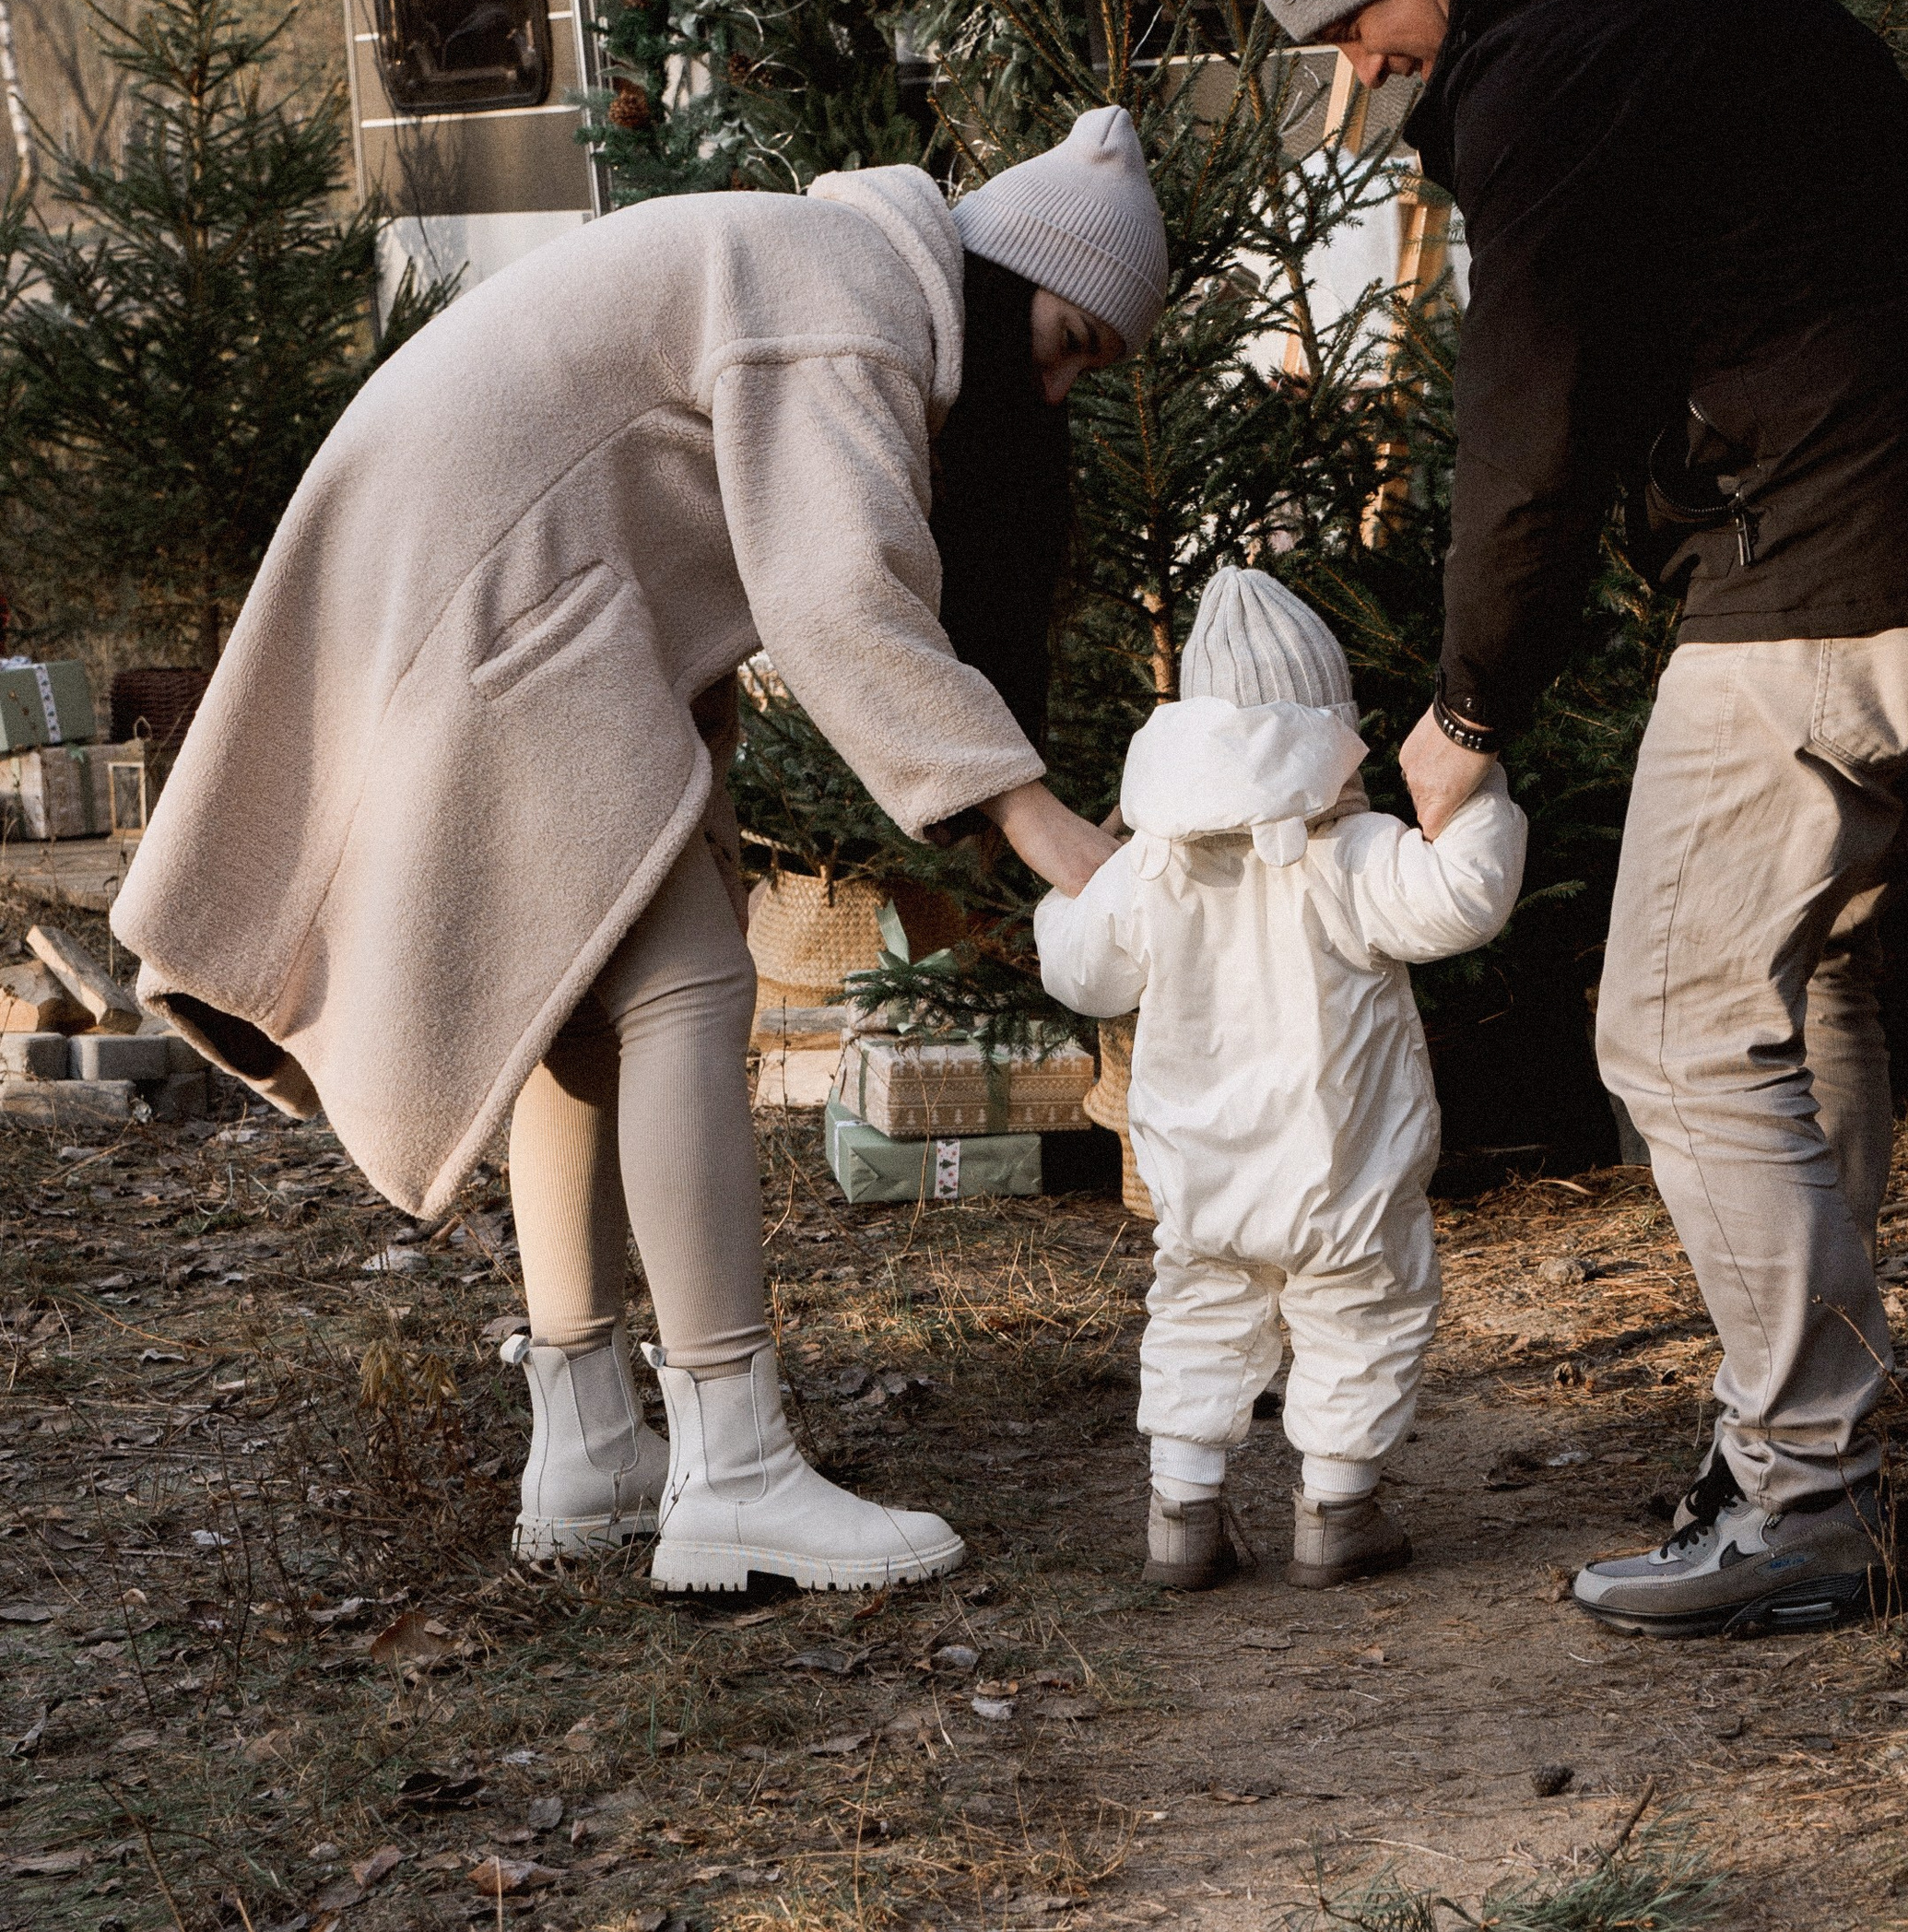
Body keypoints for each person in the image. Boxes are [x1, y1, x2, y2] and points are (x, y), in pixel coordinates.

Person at [1250, 0, 1908, 1639]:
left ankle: (1805, 1492)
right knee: (1801, 986)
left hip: (1838, 584)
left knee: (1667, 1031)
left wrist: (1467, 707)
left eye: (1343, 26)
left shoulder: (1539, 72)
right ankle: (1799, 1443)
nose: (1352, 72)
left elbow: (1528, 421)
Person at [113, 108, 1169, 1596]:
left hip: (488, 563)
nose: (1057, 389)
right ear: (1003, 280)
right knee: (687, 988)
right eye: (1067, 343)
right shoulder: (856, 298)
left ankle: (589, 1433)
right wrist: (1046, 829)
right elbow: (838, 598)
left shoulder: (826, 268)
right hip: (496, 575)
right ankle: (732, 1463)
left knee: (589, 983)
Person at [1036, 565, 1526, 1591]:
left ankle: (1183, 1514)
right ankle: (1338, 1510)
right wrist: (1475, 793)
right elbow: (1466, 897)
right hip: (1340, 1171)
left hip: (1200, 1178)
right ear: (1327, 729)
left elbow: (1082, 971)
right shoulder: (1353, 854)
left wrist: (1061, 903)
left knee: (1200, 1309)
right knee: (1362, 1311)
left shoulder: (1149, 867)